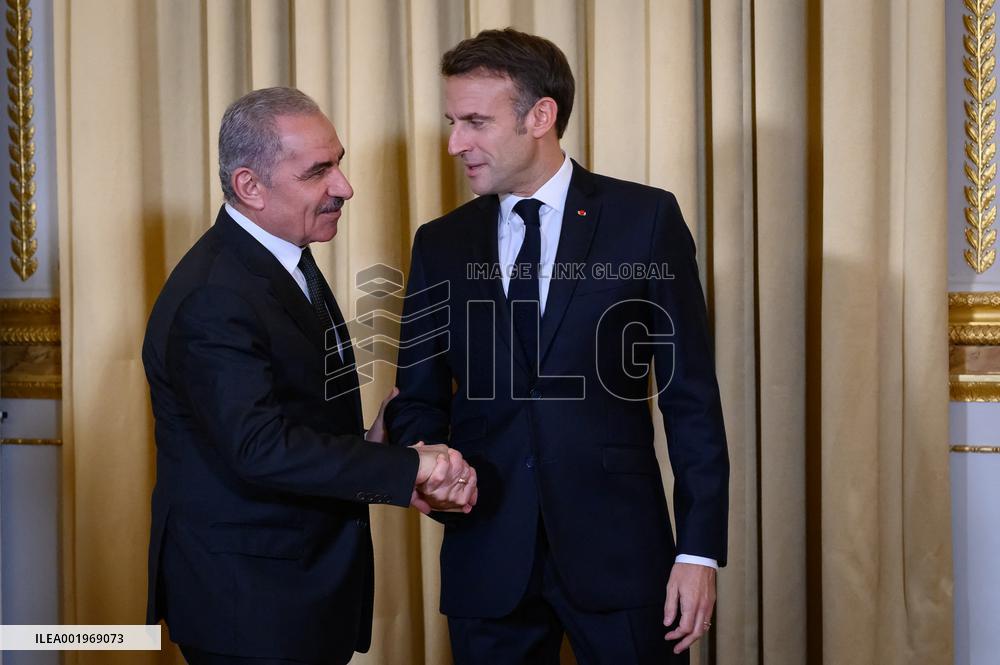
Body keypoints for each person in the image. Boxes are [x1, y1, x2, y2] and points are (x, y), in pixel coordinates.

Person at [387, 29, 729, 664]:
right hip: (486, 557)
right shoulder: (440, 243)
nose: (455, 142)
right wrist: (428, 459)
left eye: (475, 121)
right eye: (452, 121)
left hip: (624, 558)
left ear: (540, 116)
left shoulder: (645, 220)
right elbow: (418, 395)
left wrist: (698, 550)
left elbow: (691, 399)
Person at [142, 86, 477, 665]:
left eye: (339, 163)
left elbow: (292, 418)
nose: (344, 186)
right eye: (318, 171)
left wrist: (371, 451)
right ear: (250, 186)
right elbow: (259, 446)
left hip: (294, 596)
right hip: (249, 610)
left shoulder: (280, 257)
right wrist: (407, 467)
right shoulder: (215, 294)